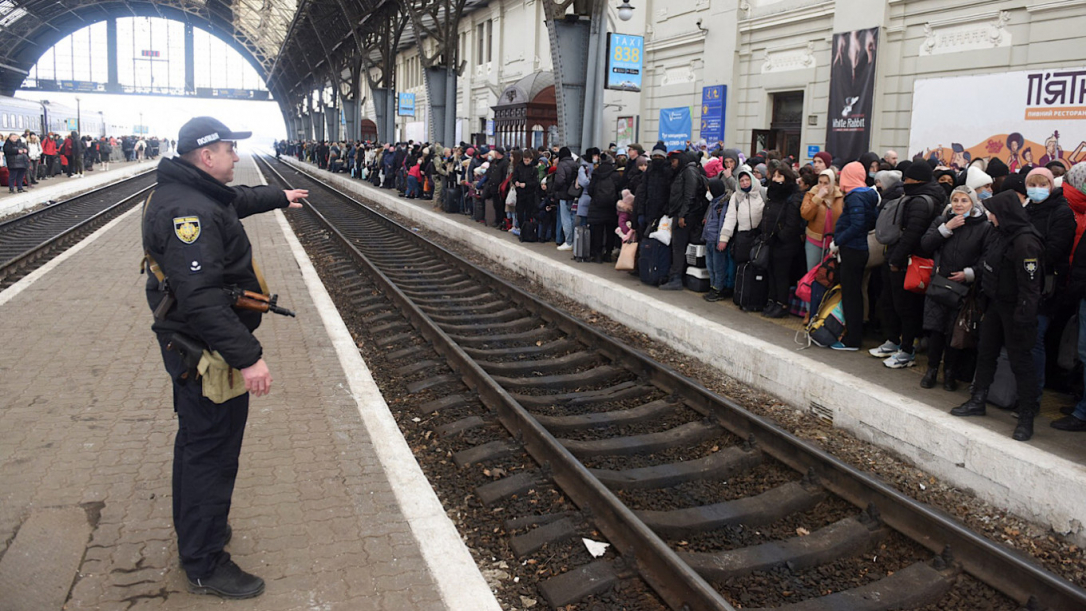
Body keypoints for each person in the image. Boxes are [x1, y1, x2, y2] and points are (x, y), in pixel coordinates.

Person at [142, 117, 308, 598]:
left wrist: (281, 196)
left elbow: (237, 202)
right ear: (206, 155)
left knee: (196, 443)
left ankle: (197, 532)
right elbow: (200, 299)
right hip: (204, 349)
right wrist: (249, 357)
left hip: (191, 344)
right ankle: (204, 562)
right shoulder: (188, 213)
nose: (236, 155)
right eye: (229, 148)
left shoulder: (192, 192)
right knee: (212, 455)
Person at [951, 188, 1043, 442]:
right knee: (986, 352)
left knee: (1020, 363)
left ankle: (1026, 416)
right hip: (995, 305)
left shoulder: (1026, 242)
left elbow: (1031, 286)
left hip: (1016, 311)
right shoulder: (999, 234)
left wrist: (1024, 318)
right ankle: (978, 399)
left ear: (1004, 214)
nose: (989, 217)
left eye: (993, 213)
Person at [870, 161, 945, 367]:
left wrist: (896, 259)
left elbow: (912, 234)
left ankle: (906, 350)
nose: (905, 182)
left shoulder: (921, 201)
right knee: (891, 302)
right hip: (902, 258)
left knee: (906, 307)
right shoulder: (915, 196)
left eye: (908, 179)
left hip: (908, 261)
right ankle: (893, 341)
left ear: (918, 180)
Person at [919, 186, 991, 390]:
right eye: (956, 200)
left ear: (973, 203)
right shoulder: (943, 220)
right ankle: (931, 370)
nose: (959, 204)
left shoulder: (983, 227)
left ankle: (949, 372)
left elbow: (986, 257)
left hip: (963, 289)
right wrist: (946, 228)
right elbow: (925, 244)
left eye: (964, 200)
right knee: (935, 330)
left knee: (955, 332)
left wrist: (969, 273)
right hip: (939, 285)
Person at [1023, 166, 1074, 404]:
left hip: (1045, 286)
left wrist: (1025, 258)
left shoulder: (1062, 212)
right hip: (1022, 283)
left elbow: (1055, 249)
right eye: (1032, 185)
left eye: (1042, 184)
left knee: (1035, 340)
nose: (1037, 190)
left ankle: (1033, 398)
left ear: (1051, 186)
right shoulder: (1027, 209)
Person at [828, 162, 879, 350]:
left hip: (852, 249)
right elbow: (870, 220)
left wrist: (838, 241)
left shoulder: (855, 197)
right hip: (861, 249)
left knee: (851, 296)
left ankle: (852, 339)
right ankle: (854, 334)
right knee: (855, 293)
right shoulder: (869, 195)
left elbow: (857, 224)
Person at [759, 165, 804, 317]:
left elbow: (792, 224)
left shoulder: (792, 197)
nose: (775, 179)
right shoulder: (773, 195)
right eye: (775, 176)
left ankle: (782, 304)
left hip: (784, 244)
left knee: (781, 275)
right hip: (771, 240)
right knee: (771, 273)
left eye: (780, 176)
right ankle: (772, 300)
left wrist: (780, 236)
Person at [660, 149, 705, 290]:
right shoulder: (684, 171)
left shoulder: (689, 171)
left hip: (685, 216)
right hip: (683, 213)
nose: (672, 164)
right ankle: (677, 276)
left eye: (674, 161)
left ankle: (676, 278)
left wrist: (682, 215)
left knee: (678, 247)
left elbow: (689, 195)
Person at [800, 168, 844, 271]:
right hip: (814, 240)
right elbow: (805, 214)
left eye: (826, 183)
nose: (822, 186)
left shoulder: (840, 196)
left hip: (833, 241)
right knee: (813, 271)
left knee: (829, 274)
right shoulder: (811, 194)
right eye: (820, 182)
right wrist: (818, 197)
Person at [702, 178, 735, 301]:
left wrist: (722, 240)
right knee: (710, 265)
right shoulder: (713, 203)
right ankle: (713, 286)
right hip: (709, 239)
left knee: (718, 266)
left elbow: (722, 223)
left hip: (717, 240)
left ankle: (718, 289)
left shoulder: (723, 204)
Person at [587, 152, 621, 262]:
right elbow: (619, 189)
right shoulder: (615, 174)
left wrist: (596, 198)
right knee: (610, 231)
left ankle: (597, 255)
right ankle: (608, 253)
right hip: (611, 207)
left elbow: (590, 189)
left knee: (598, 231)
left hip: (597, 206)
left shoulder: (596, 173)